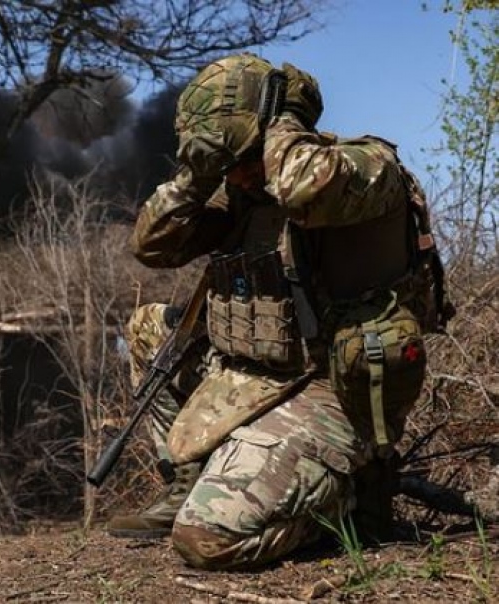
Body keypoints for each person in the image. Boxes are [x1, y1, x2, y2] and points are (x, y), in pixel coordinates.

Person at [106, 53, 448, 569]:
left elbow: (301, 189)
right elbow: (153, 244)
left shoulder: (365, 167)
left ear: (273, 131)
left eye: (239, 158)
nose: (237, 177)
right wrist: (197, 177)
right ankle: (190, 480)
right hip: (254, 374)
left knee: (205, 540)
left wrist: (279, 118)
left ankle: (349, 499)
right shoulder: (248, 196)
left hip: (329, 387)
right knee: (151, 325)